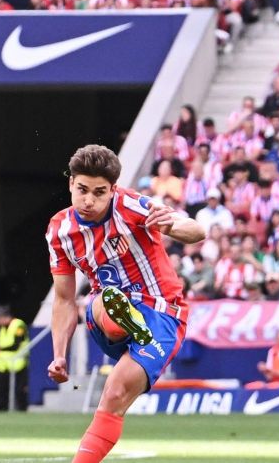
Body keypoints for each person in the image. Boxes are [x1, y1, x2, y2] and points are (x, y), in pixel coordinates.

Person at [45, 145, 205, 463]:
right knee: (105, 298)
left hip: (162, 313)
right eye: (82, 190)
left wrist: (171, 226)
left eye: (99, 192)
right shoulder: (60, 231)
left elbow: (196, 230)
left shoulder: (130, 205)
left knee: (115, 393)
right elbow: (64, 299)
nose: (89, 200)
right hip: (105, 314)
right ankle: (125, 321)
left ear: (113, 190)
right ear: (71, 184)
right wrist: (59, 355)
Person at [0, 305, 28, 411]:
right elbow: (3, 342)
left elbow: (16, 344)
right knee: (1, 390)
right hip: (4, 364)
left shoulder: (18, 325)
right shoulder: (3, 328)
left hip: (18, 363)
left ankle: (22, 411)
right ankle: (1, 411)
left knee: (20, 391)